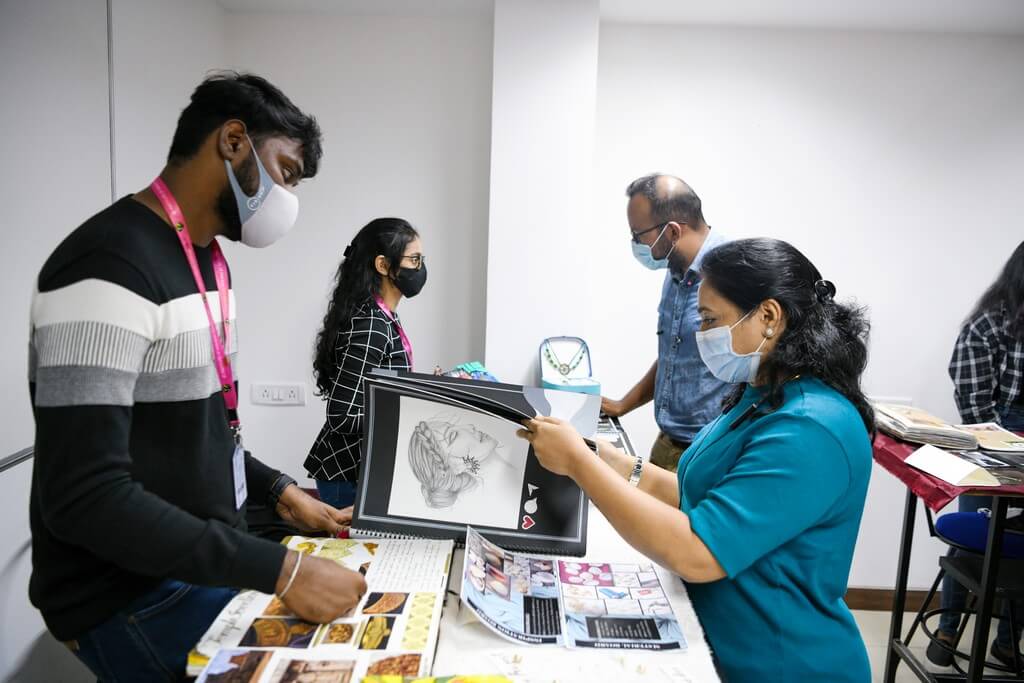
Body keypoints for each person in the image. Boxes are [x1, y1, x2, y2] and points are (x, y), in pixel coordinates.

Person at [28, 73, 367, 682]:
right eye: (286, 173)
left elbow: (205, 427)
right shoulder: (108, 263)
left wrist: (278, 492)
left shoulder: (207, 260)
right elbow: (84, 498)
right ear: (234, 141)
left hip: (200, 567)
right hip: (129, 597)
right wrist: (282, 572)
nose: (287, 199)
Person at [520, 238, 873, 682]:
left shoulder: (810, 427)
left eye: (710, 320)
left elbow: (699, 551)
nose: (701, 335)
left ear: (768, 316)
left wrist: (578, 465)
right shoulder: (760, 394)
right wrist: (608, 459)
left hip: (780, 662)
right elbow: (700, 495)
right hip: (721, 640)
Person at [930, 240, 1024, 668]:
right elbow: (974, 405)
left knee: (1021, 543)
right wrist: (1002, 452)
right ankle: (949, 629)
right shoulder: (990, 323)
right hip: (992, 435)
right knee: (979, 535)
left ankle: (1007, 642)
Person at [601, 174, 732, 471]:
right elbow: (675, 354)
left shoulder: (732, 273)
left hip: (708, 454)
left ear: (672, 231)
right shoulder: (676, 270)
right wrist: (623, 405)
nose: (635, 243)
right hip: (668, 442)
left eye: (638, 235)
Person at [307, 218, 426, 508]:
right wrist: (405, 415)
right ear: (384, 265)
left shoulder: (382, 315)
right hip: (348, 475)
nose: (420, 268)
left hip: (357, 470)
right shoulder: (372, 324)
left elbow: (377, 388)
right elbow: (341, 415)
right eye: (414, 259)